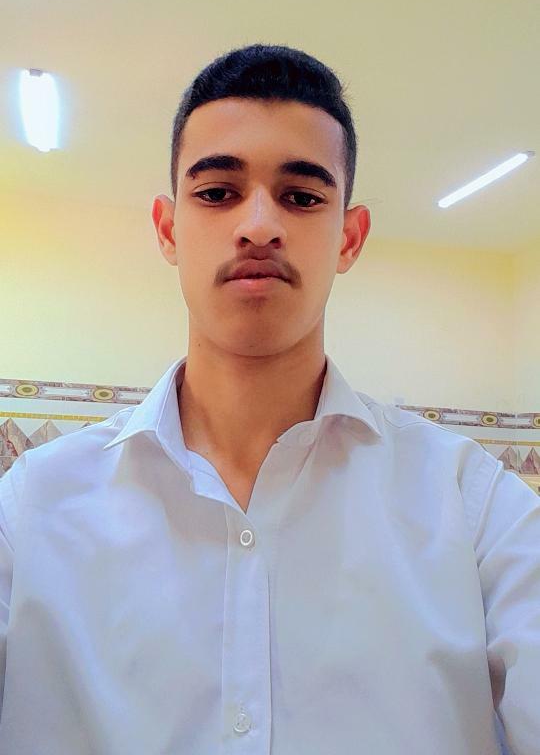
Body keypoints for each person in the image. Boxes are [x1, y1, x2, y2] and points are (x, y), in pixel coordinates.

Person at [0, 43, 537, 754]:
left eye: (302, 196)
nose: (258, 225)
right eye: (217, 192)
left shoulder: (475, 510)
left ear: (349, 237)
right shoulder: (31, 510)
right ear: (168, 228)